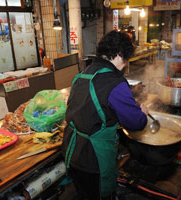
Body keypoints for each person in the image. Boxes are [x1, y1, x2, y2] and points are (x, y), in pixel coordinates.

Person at [62, 30, 148, 200]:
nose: (125, 65)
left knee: (82, 194)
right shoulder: (115, 83)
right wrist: (142, 113)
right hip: (94, 160)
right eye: (125, 60)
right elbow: (135, 123)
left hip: (71, 151)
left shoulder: (81, 75)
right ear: (117, 54)